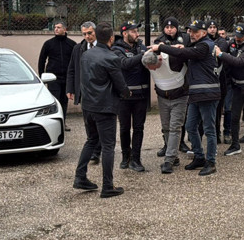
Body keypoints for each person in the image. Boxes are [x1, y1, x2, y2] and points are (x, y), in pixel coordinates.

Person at [151, 19, 220, 176]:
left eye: (195, 32)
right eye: (190, 31)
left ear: (204, 32)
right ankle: (199, 157)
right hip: (196, 93)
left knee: (209, 129)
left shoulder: (205, 45)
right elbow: (187, 51)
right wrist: (181, 47)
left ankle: (211, 162)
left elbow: (186, 53)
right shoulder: (198, 45)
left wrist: (162, 47)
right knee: (190, 126)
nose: (191, 34)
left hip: (207, 93)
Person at [78, 22, 130, 198]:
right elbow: (120, 84)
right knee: (108, 146)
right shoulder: (111, 57)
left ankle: (80, 177)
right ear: (111, 39)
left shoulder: (86, 55)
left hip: (88, 106)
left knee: (91, 140)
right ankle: (108, 186)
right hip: (105, 107)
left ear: (96, 36)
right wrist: (127, 93)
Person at [215, 23, 244, 159]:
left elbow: (239, 61)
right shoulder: (232, 43)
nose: (237, 38)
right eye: (236, 35)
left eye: (240, 36)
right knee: (234, 116)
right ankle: (235, 145)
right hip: (238, 86)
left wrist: (221, 54)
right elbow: (222, 47)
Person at [142, 50, 188, 174]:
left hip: (180, 97)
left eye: (154, 67)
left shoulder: (173, 59)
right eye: (150, 69)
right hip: (163, 97)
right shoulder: (147, 60)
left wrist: (176, 47)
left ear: (160, 59)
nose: (153, 70)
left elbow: (188, 54)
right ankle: (174, 156)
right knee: (166, 127)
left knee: (175, 127)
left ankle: (169, 160)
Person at [112, 21, 150, 172]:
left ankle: (136, 159)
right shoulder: (116, 49)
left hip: (141, 95)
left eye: (137, 31)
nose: (137, 34)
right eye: (133, 31)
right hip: (124, 96)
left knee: (139, 128)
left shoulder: (141, 47)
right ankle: (125, 156)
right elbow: (125, 64)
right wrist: (142, 56)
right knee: (124, 128)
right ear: (125, 33)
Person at [154, 17, 191, 155]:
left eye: (172, 27)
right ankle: (167, 144)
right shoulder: (159, 40)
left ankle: (180, 143)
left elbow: (188, 53)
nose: (169, 30)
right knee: (166, 122)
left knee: (180, 120)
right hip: (165, 84)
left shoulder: (185, 38)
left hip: (181, 83)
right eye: (167, 27)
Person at [67, 21, 101, 169]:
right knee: (89, 123)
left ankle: (98, 149)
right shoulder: (78, 48)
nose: (87, 36)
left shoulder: (103, 47)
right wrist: (70, 88)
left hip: (100, 92)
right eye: (84, 34)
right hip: (85, 93)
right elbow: (72, 69)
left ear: (96, 32)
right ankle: (94, 149)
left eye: (90, 33)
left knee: (101, 122)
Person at [38, 21, 76, 130]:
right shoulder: (48, 43)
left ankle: (63, 123)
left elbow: (75, 62)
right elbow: (42, 60)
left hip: (67, 77)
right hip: (53, 78)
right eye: (55, 27)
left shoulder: (71, 44)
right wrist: (42, 76)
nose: (56, 29)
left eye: (59, 27)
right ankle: (54, 124)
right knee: (55, 100)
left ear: (65, 29)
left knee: (64, 101)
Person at [207, 19, 230, 143]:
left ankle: (217, 133)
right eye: (210, 27)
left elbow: (219, 53)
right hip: (206, 79)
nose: (212, 29)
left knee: (218, 109)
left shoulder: (222, 41)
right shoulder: (204, 40)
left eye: (214, 27)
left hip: (220, 79)